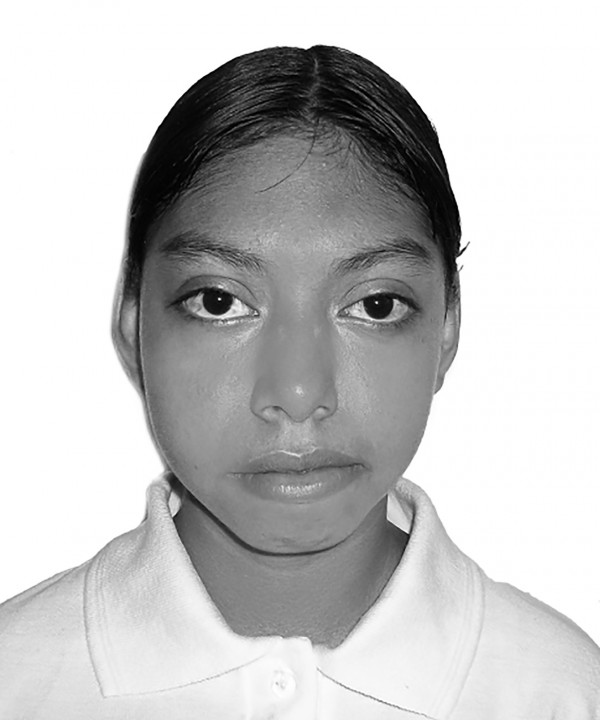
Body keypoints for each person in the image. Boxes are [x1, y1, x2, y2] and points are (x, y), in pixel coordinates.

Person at [0, 44, 598, 719]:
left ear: (447, 331)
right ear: (134, 325)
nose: (298, 393)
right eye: (220, 301)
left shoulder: (563, 695)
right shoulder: (17, 681)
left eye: (375, 305)